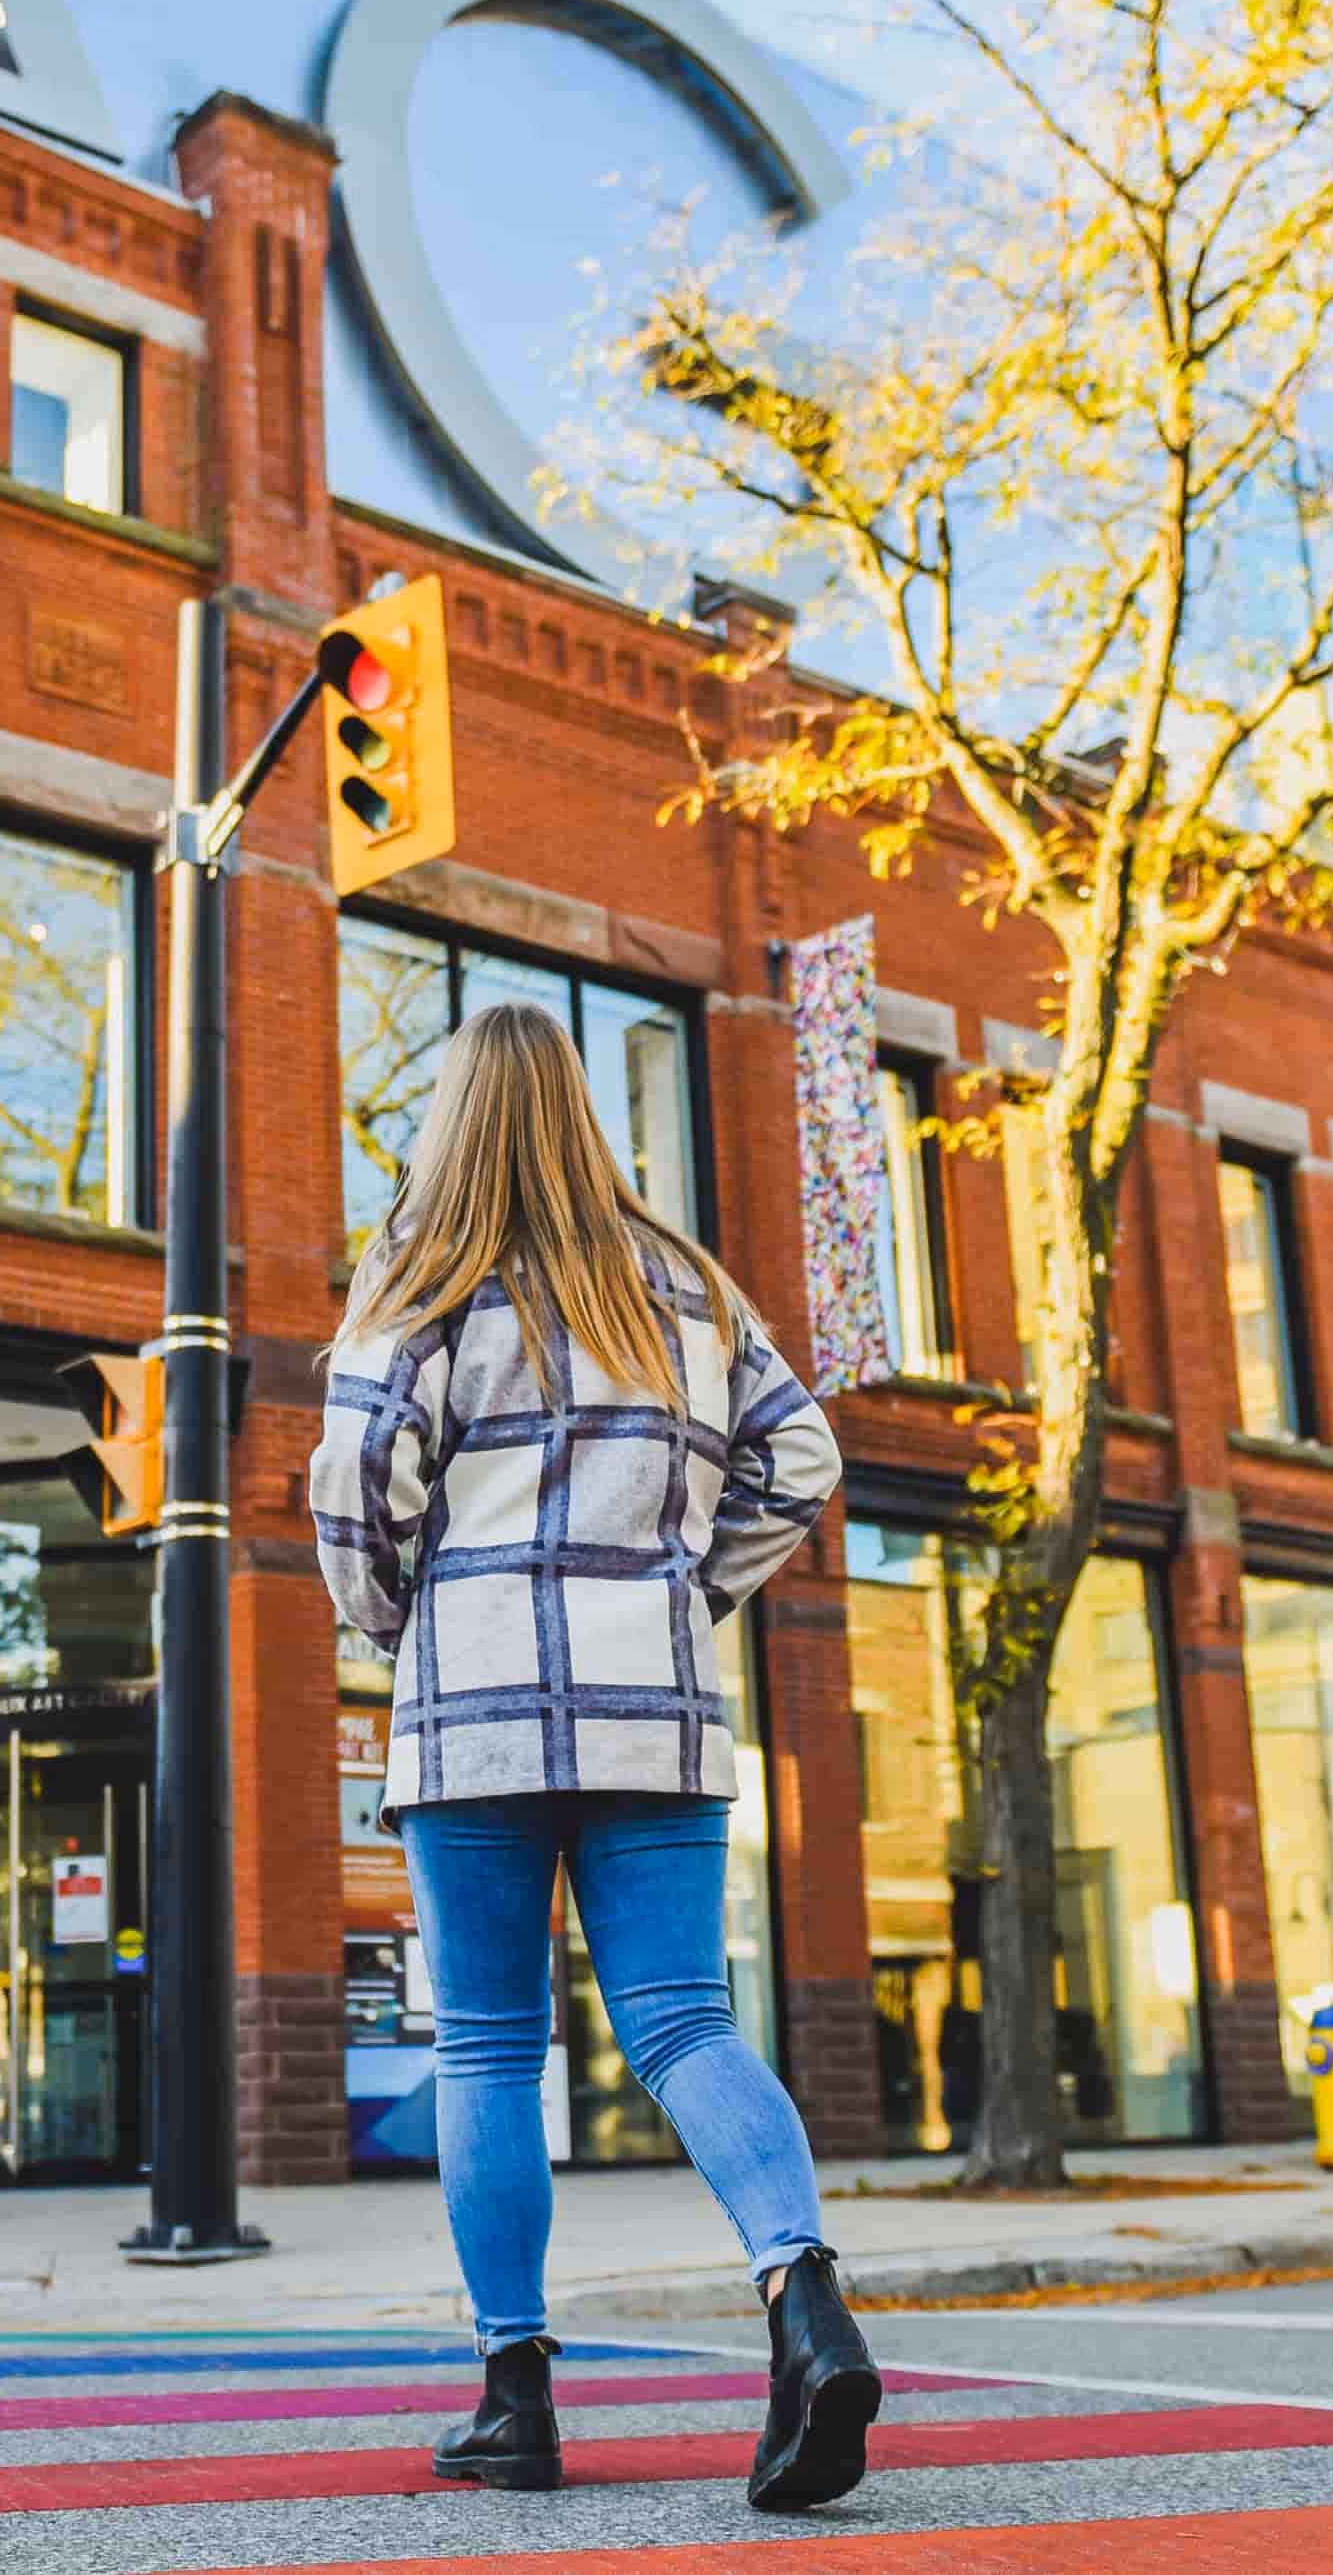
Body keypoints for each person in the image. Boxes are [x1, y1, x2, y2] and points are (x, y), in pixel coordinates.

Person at [309, 1001, 879, 2514]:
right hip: (657, 1704)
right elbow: (800, 1459)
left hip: (474, 1701)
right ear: (582, 1115)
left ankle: (516, 2399)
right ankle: (803, 2299)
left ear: (452, 1122)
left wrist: (391, 1616)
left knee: (492, 2044)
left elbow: (359, 1479)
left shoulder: (418, 1271)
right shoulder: (686, 1281)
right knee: (686, 2023)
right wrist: (687, 1589)